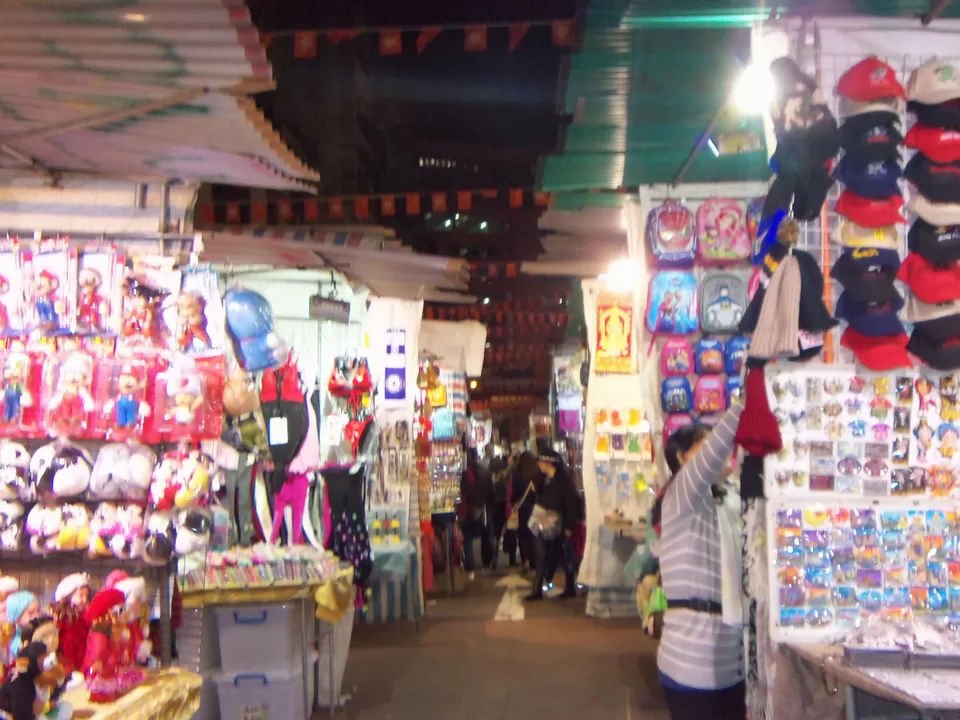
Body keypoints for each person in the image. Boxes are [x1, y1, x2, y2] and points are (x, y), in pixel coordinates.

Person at [657, 402, 746, 720]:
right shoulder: (680, 495)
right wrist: (745, 404)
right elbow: (710, 460)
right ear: (682, 459)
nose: (717, 451)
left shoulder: (729, 498)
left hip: (733, 663)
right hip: (691, 665)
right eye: (705, 444)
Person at [526, 449, 579, 601]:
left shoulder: (564, 482)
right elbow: (539, 500)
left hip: (559, 524)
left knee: (563, 555)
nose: (538, 465)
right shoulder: (544, 480)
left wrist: (569, 526)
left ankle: (569, 587)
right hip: (543, 523)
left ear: (549, 463)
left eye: (541, 462)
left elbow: (571, 504)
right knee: (542, 555)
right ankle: (537, 589)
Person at [459, 448, 494, 580]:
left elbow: (464, 491)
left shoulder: (464, 473)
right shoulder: (484, 471)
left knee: (468, 538)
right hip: (484, 508)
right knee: (486, 536)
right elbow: (492, 492)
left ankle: (471, 568)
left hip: (469, 510)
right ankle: (486, 564)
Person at [505, 453, 537, 569]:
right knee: (533, 535)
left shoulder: (516, 475)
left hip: (522, 509)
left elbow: (512, 494)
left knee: (522, 536)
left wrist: (514, 504)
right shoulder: (536, 474)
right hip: (535, 509)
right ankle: (534, 561)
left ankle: (525, 560)